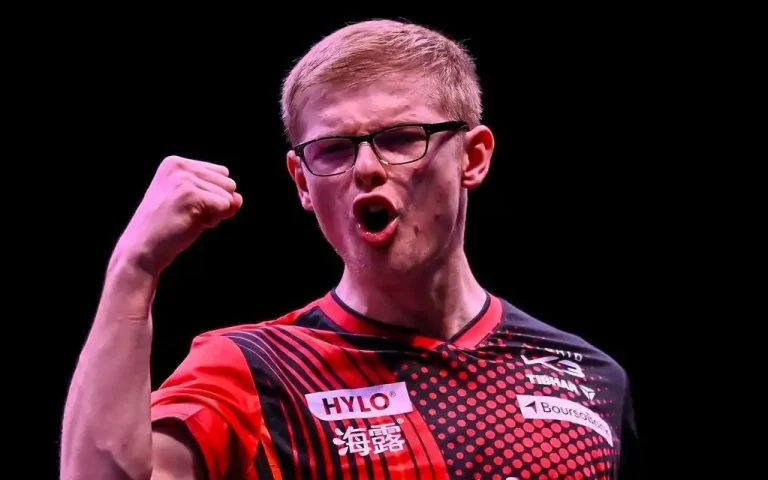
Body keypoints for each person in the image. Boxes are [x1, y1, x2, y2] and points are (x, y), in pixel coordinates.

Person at [60, 19, 641, 480]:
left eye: (400, 138)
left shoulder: (593, 379)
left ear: (472, 157)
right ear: (301, 182)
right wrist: (134, 266)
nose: (366, 168)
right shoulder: (254, 370)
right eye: (334, 149)